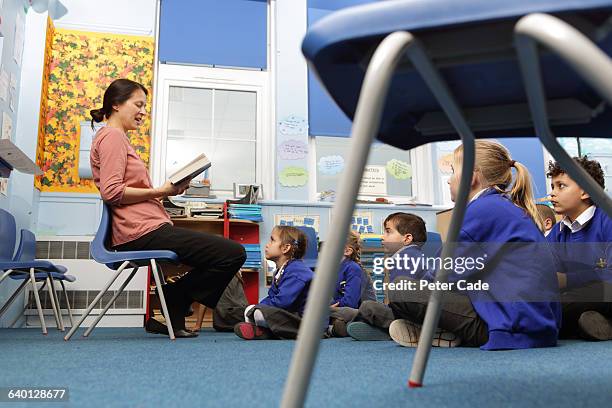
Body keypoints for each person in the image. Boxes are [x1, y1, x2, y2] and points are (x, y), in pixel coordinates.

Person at [90, 78, 245, 338]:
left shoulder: (116, 138)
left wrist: (164, 195)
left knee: (226, 254)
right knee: (232, 253)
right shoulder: (113, 137)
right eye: (138, 105)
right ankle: (175, 296)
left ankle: (174, 306)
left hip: (144, 227)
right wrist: (161, 191)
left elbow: (123, 191)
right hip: (139, 232)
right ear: (116, 104)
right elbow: (112, 192)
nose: (142, 112)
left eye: (145, 106)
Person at [387, 140, 561, 349]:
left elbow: (442, 275)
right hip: (531, 322)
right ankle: (420, 327)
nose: (448, 180)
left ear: (471, 177)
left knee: (402, 288)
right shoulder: (499, 206)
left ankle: (430, 330)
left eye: (452, 172)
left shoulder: (482, 210)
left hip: (508, 326)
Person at [546, 156, 612, 340]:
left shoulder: (607, 219)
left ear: (585, 191)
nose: (552, 193)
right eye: (552, 187)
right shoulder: (557, 232)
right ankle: (593, 325)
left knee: (600, 290)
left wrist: (567, 280)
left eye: (561, 186)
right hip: (584, 298)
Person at [234, 226, 314, 340]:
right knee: (255, 310)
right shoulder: (281, 270)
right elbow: (272, 296)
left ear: (285, 248)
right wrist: (256, 307)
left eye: (272, 240)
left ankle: (268, 330)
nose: (267, 244)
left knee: (259, 314)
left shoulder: (296, 271)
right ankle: (266, 331)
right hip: (295, 316)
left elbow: (283, 302)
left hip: (310, 322)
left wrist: (257, 309)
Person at [326, 231, 376, 337]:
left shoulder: (353, 268)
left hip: (361, 313)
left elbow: (350, 303)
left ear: (347, 251)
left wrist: (328, 307)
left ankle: (335, 326)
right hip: (341, 310)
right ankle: (333, 327)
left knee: (321, 312)